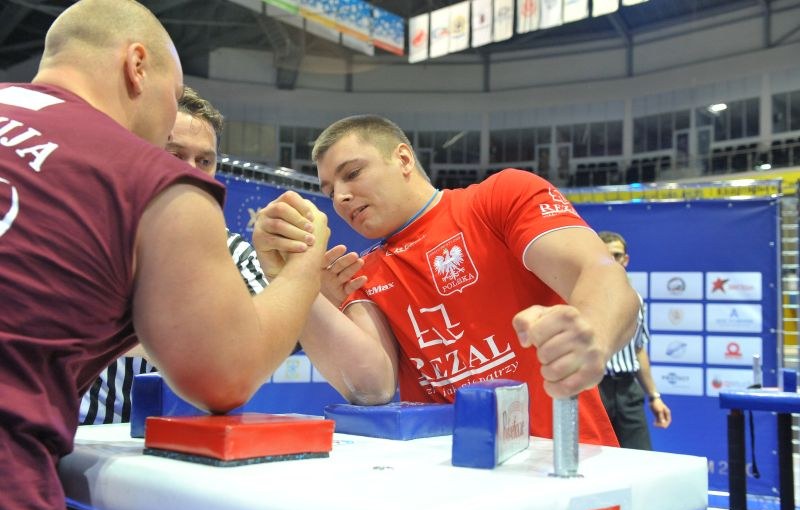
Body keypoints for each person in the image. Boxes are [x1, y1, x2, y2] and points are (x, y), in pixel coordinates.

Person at [0, 1, 328, 510]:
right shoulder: (147, 179)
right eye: (173, 97)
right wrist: (304, 267)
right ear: (137, 66)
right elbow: (225, 373)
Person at [255, 114, 640, 446]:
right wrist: (295, 279)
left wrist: (593, 333)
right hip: (453, 485)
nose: (340, 196)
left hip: (563, 466)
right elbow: (371, 388)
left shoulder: (499, 199)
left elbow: (602, 275)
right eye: (329, 191)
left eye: (352, 174)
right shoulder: (363, 274)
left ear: (403, 159)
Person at [79, 87, 268, 426]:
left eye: (205, 161)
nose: (192, 171)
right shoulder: (87, 234)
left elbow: (258, 340)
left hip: (184, 444)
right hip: (79, 437)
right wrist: (201, 343)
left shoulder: (233, 251)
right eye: (175, 154)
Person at [597, 231, 672, 449]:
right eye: (606, 255)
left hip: (628, 390)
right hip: (595, 389)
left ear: (625, 260)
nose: (613, 261)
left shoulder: (636, 299)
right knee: (596, 462)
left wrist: (654, 396)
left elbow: (638, 350)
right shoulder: (577, 297)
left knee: (641, 460)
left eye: (617, 255)